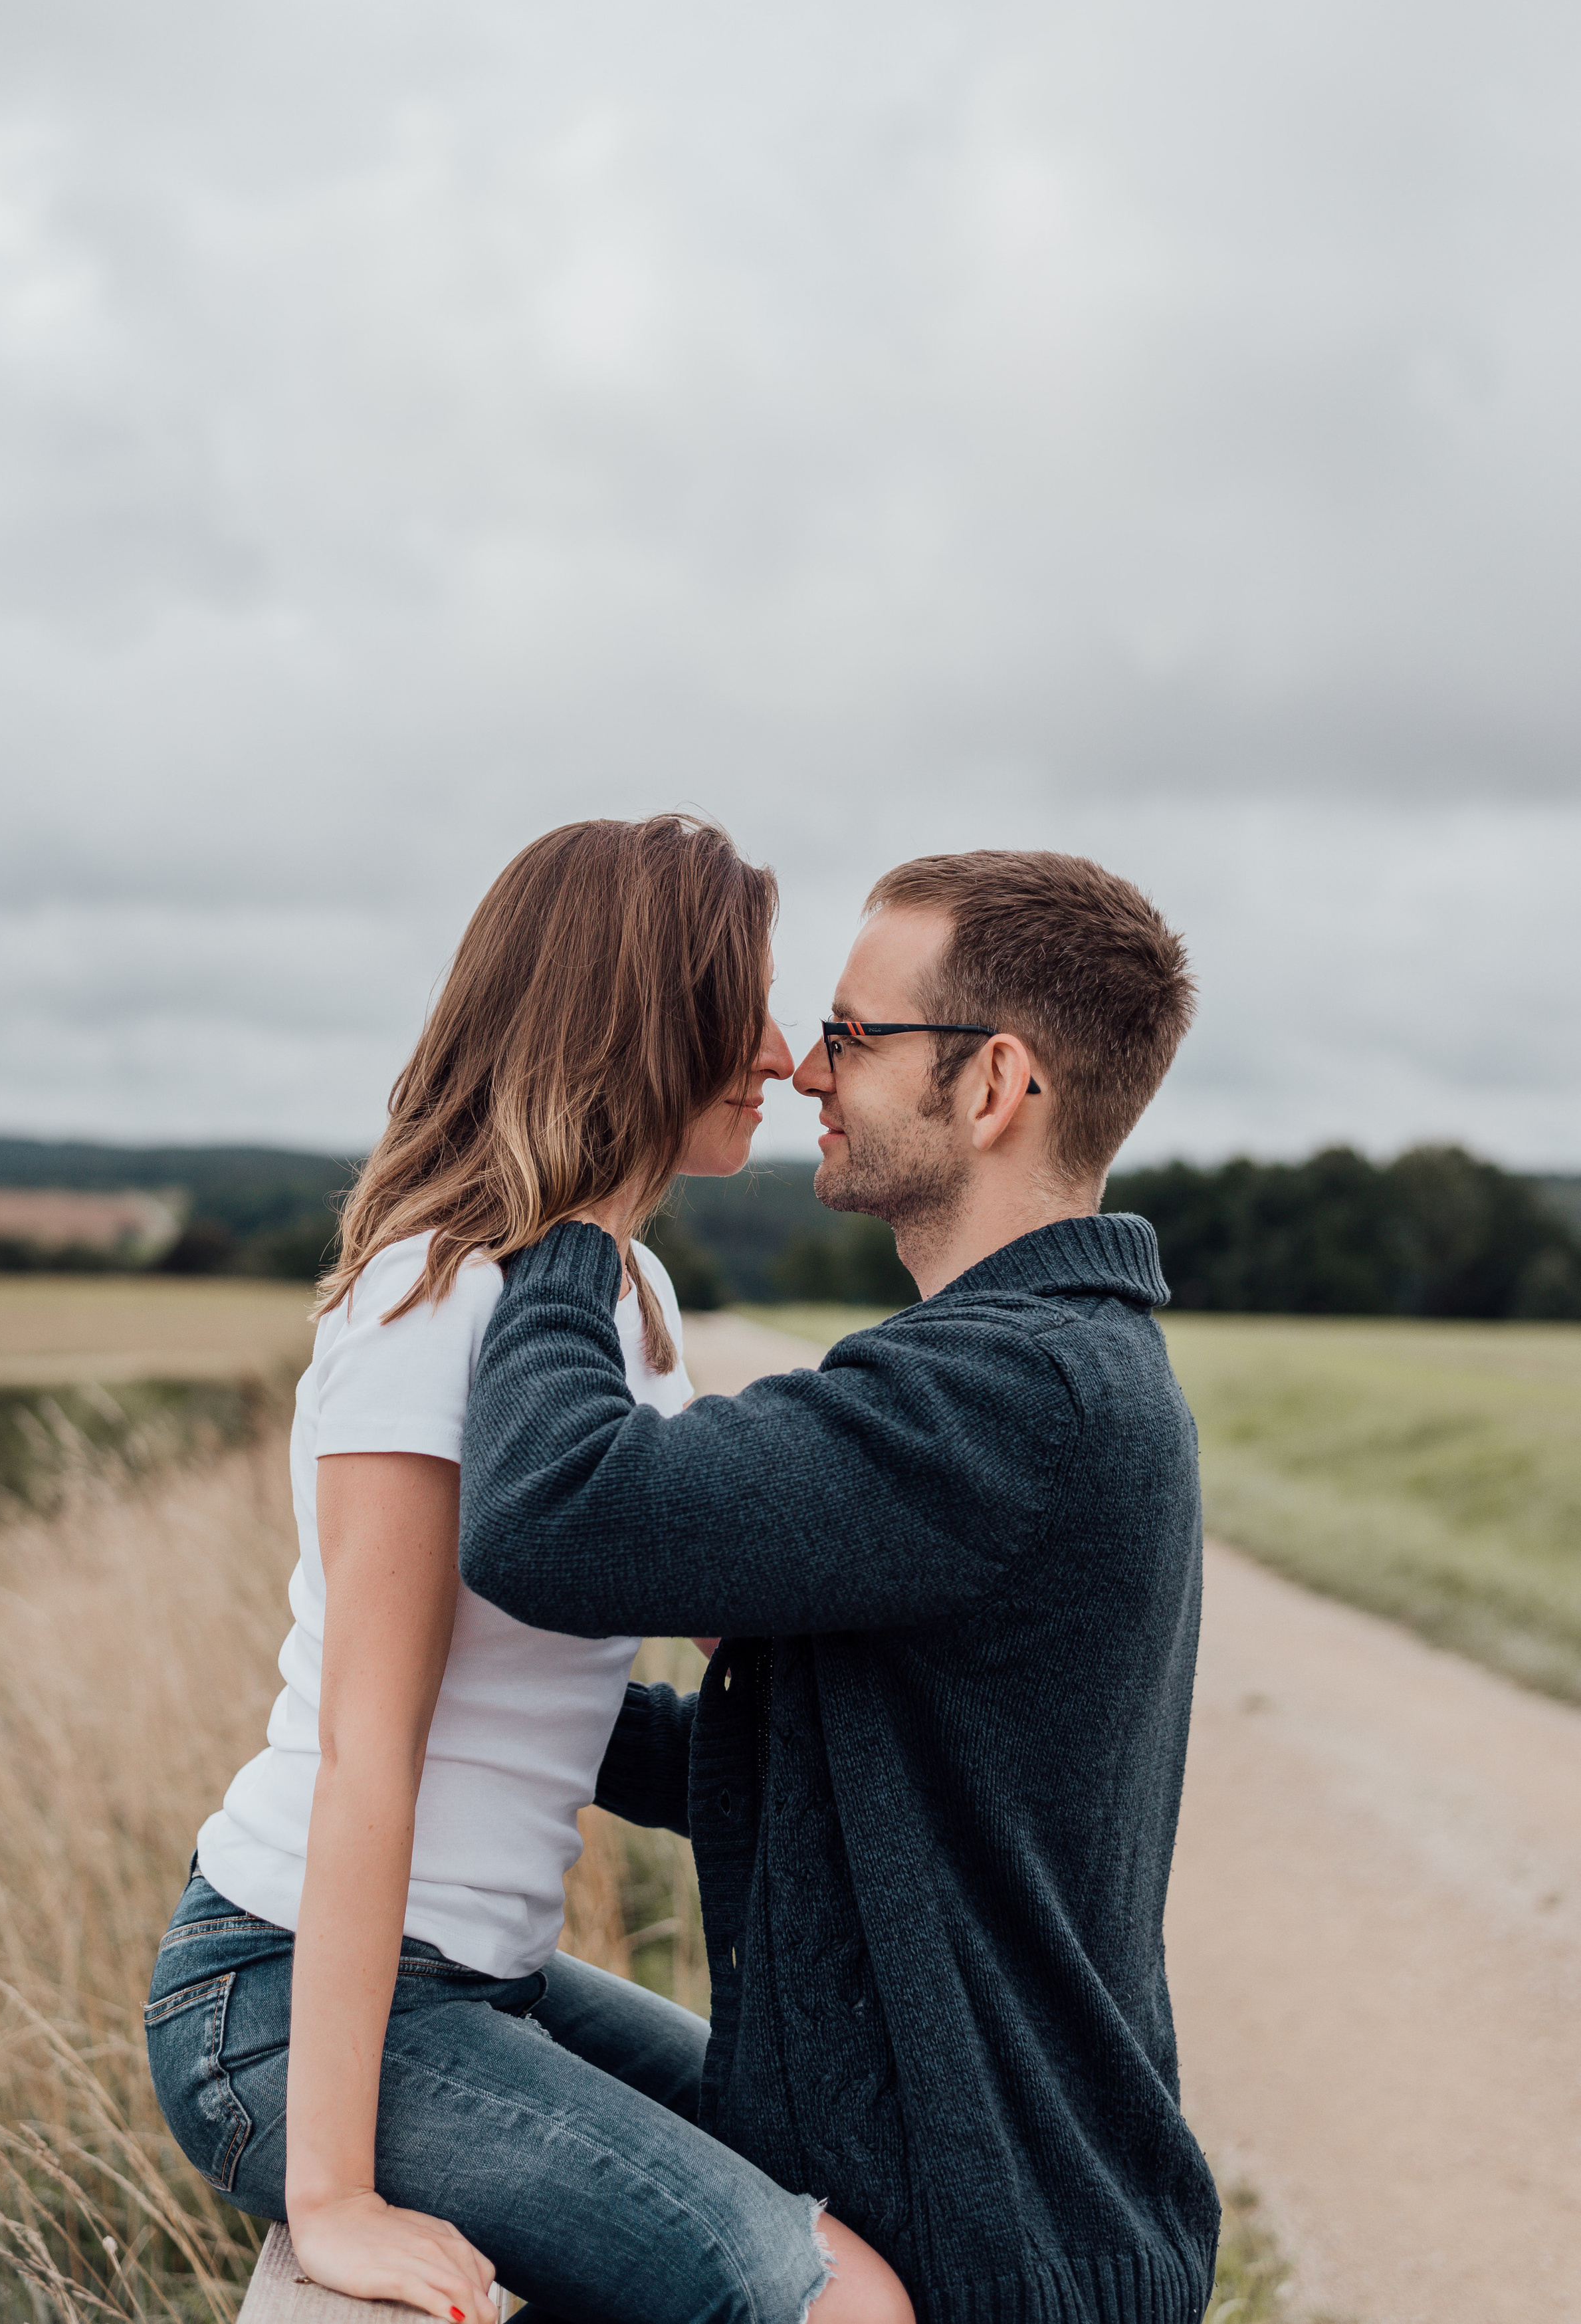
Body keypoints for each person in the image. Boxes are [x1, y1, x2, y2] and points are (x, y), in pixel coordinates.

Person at [145, 816, 913, 2324]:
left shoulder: (628, 1294)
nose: (778, 1054)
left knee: (836, 2178)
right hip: (276, 1998)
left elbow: (701, 1603)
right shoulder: (428, 1299)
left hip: (484, 1983)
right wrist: (335, 2198)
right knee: (836, 2305)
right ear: (636, 1024)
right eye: (740, 1009)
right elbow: (369, 1750)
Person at [458, 849, 1221, 2324]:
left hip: (986, 2259)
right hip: (992, 2223)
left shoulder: (1015, 1392)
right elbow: (822, 1768)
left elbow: (555, 1508)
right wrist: (477, 1700)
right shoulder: (1056, 1369)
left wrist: (575, 1224)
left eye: (854, 1034)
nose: (807, 1068)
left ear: (992, 1084)